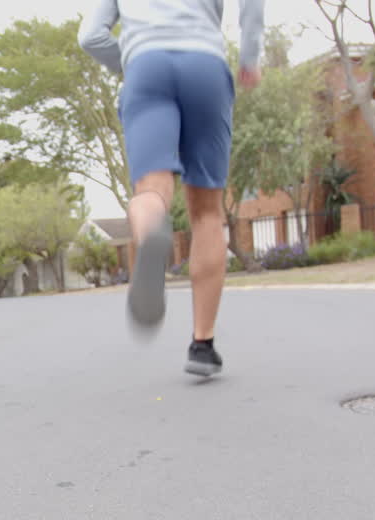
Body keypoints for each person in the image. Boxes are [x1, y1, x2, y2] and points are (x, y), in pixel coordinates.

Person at [79, 0, 263, 376]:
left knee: (151, 189)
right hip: (205, 65)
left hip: (146, 67)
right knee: (207, 212)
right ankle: (202, 344)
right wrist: (249, 56)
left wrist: (129, 64)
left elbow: (90, 36)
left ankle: (151, 239)